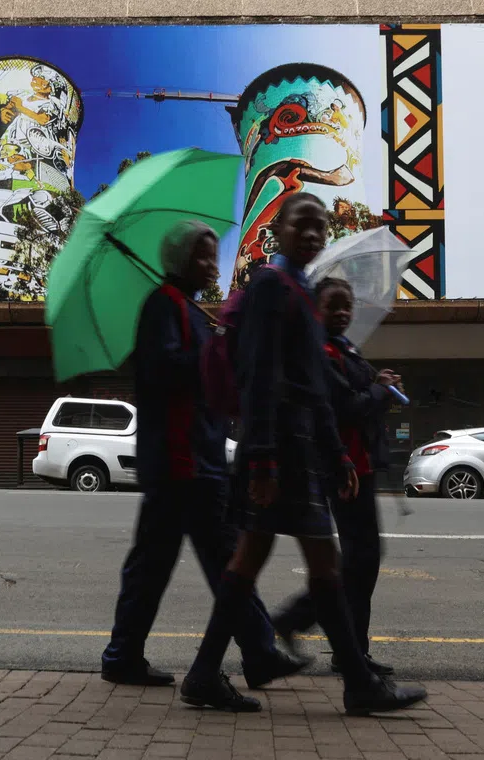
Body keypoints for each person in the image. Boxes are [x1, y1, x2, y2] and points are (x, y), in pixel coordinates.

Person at [181, 193, 428, 716]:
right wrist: (266, 460)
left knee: (252, 565)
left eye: (321, 227)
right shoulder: (273, 286)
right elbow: (261, 374)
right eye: (303, 225)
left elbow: (315, 388)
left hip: (296, 449)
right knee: (320, 565)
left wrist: (337, 456)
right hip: (280, 453)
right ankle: (357, 682)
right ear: (279, 231)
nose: (314, 235)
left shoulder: (300, 290)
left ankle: (205, 674)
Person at [101, 220, 307, 702]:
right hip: (182, 460)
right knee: (223, 558)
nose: (211, 265)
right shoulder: (163, 306)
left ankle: (123, 656)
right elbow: (164, 372)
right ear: (177, 260)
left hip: (194, 457)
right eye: (201, 256)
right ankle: (257, 650)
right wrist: (216, 351)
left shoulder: (188, 309)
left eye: (213, 255)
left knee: (156, 565)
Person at [272, 276, 402, 676]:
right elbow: (345, 406)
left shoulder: (343, 348)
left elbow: (358, 397)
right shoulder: (321, 352)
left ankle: (352, 651)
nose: (344, 312)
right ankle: (312, 630)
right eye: (334, 305)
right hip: (339, 467)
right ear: (317, 309)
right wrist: (379, 394)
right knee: (357, 561)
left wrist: (379, 385)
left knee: (362, 561)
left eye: (348, 305)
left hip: (358, 464)